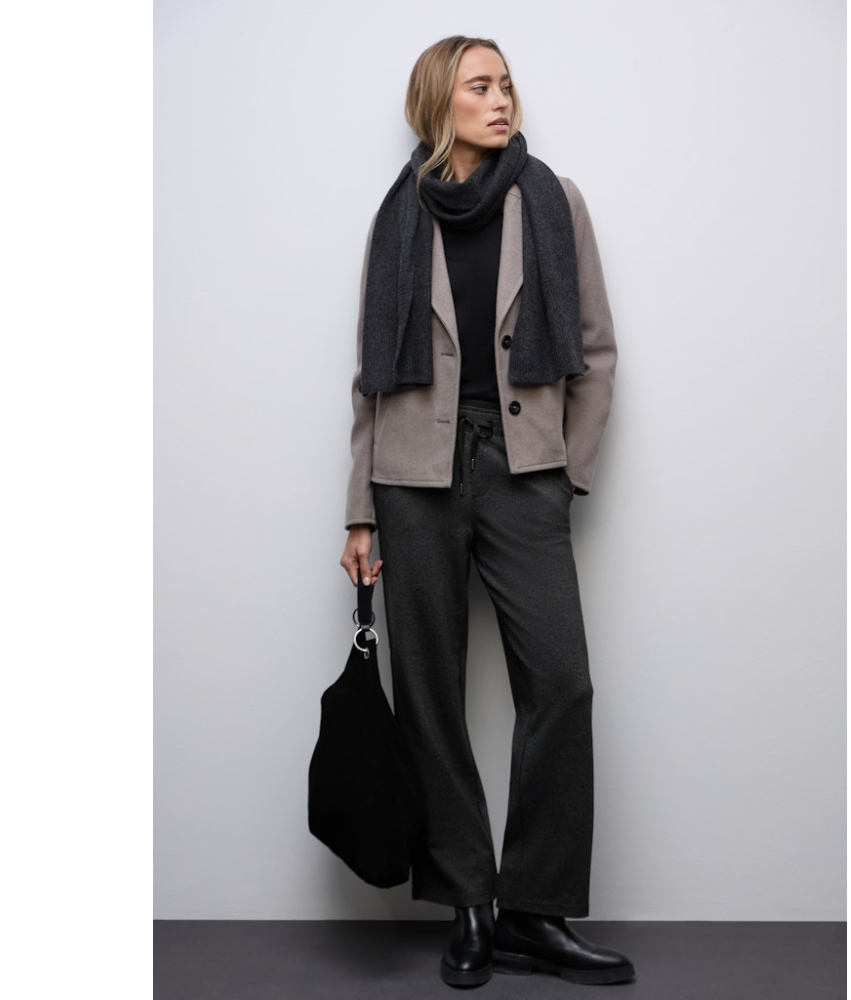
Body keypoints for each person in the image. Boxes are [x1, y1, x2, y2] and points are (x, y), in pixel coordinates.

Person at [340, 35, 634, 988]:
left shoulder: (553, 201)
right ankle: (470, 903)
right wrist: (359, 513)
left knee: (562, 684)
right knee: (430, 692)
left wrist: (566, 470)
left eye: (506, 84)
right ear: (441, 103)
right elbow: (370, 380)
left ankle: (535, 911)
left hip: (522, 466)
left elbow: (595, 349)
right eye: (480, 86)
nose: (501, 99)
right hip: (412, 472)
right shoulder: (396, 218)